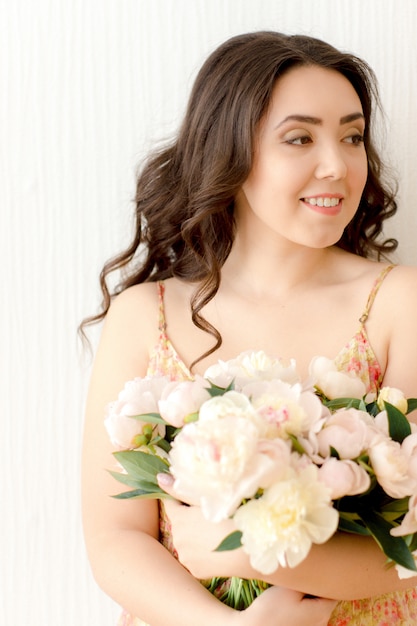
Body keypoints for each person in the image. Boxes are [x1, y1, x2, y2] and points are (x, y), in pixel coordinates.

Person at [80, 31, 417, 626]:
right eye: (299, 137)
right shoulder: (144, 315)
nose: (337, 164)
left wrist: (250, 552)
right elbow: (115, 541)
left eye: (353, 136)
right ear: (229, 151)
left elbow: (411, 546)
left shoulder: (400, 304)